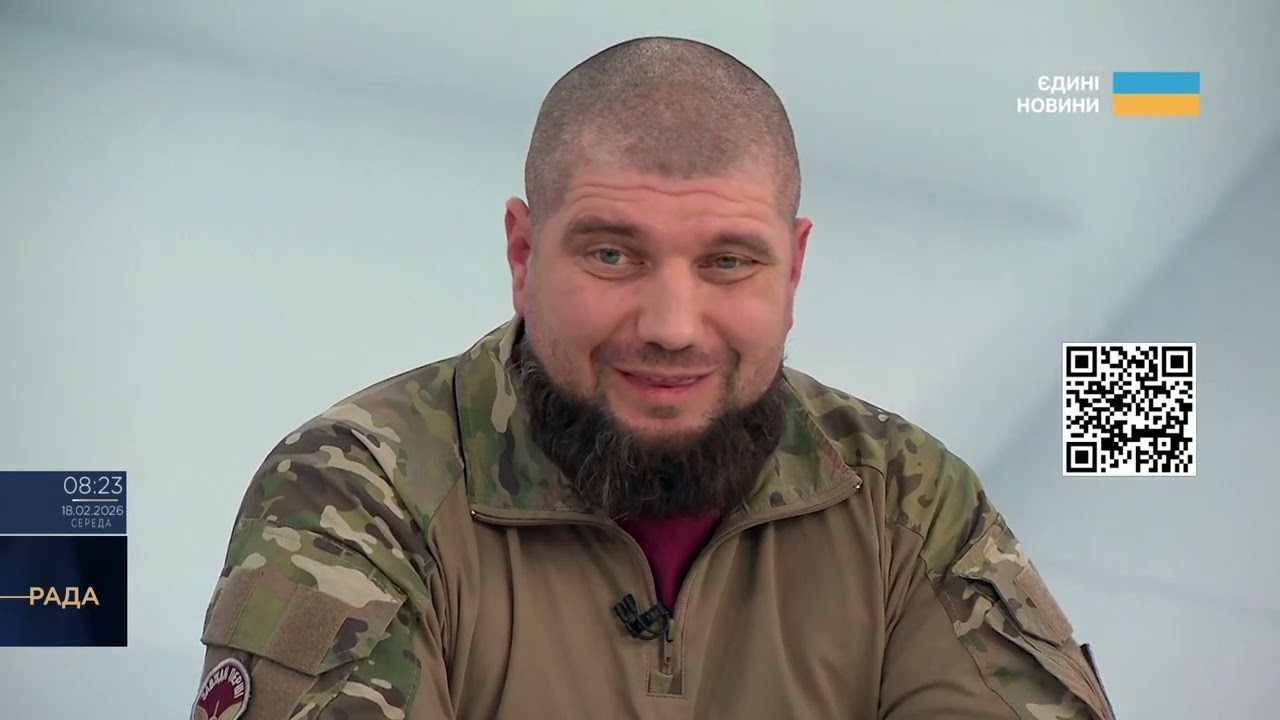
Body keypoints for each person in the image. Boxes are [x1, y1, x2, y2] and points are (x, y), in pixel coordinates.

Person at [190, 36, 1116, 720]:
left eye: (728, 262)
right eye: (611, 255)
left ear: (794, 270)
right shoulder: (358, 487)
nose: (672, 326)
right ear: (523, 255)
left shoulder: (906, 499)